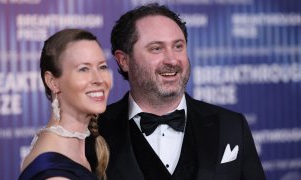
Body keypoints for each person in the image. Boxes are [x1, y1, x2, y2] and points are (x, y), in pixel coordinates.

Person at [86, 3, 266, 180]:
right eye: (157, 48)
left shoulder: (232, 125)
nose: (172, 60)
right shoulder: (94, 132)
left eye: (178, 46)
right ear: (123, 60)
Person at [19, 29, 112, 180]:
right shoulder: (55, 173)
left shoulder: (85, 145)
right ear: (53, 82)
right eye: (83, 69)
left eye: (102, 67)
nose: (99, 79)